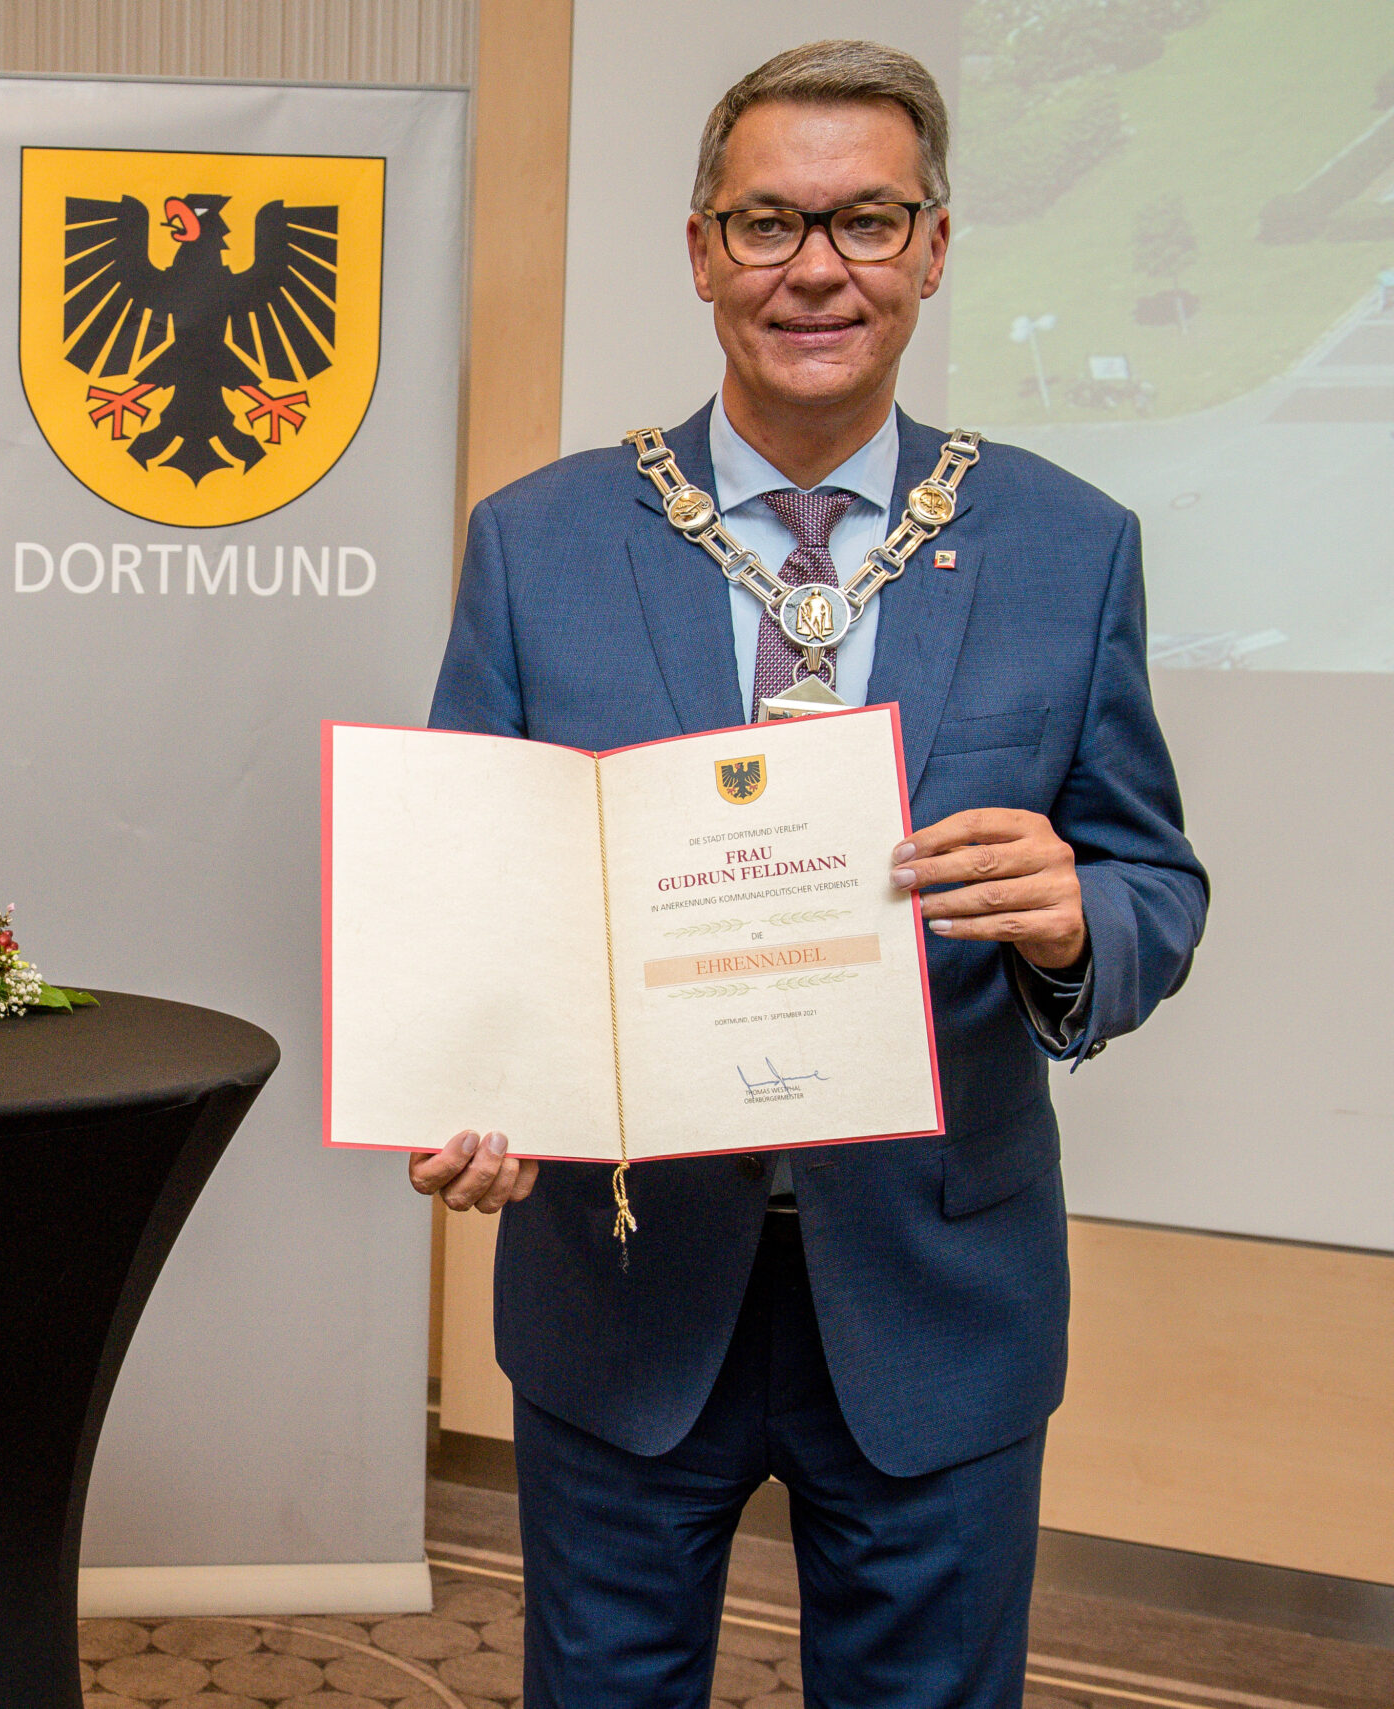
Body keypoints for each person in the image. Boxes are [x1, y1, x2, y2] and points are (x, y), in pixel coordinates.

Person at [412, 41, 1207, 1709]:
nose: (818, 268)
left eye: (867, 220)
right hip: (622, 1284)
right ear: (702, 251)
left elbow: (1152, 877)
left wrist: (1078, 919)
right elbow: (465, 894)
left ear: (934, 247)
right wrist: (466, 1082)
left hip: (940, 1291)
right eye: (769, 222)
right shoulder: (540, 543)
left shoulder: (1069, 547)